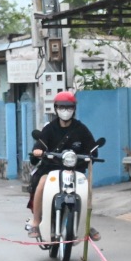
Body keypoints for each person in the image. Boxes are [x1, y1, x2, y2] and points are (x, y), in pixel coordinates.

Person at [26, 91, 100, 241]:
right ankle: (35, 222)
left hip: (75, 169)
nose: (65, 111)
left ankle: (86, 224)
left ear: (74, 109)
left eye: (69, 107)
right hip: (51, 168)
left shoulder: (81, 128)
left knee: (86, 190)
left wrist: (92, 153)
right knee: (41, 183)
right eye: (62, 107)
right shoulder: (50, 128)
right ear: (56, 108)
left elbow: (92, 148)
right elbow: (39, 145)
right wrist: (38, 151)